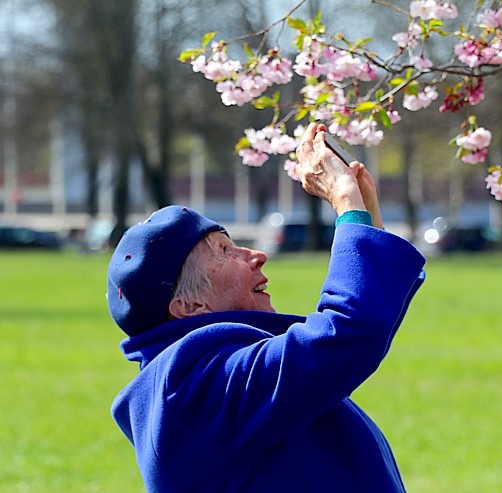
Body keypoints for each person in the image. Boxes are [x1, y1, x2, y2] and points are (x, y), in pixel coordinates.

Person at [107, 122, 426, 492]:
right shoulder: (193, 388)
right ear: (188, 304)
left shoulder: (198, 380)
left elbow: (354, 340)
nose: (256, 256)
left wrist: (363, 214)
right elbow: (347, 334)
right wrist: (345, 205)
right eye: (225, 251)